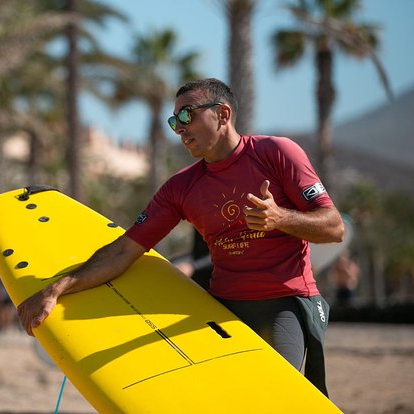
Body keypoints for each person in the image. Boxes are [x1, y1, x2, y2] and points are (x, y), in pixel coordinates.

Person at [17, 78, 344, 395]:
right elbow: (124, 251)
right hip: (219, 310)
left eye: (187, 115)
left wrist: (279, 218)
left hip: (284, 304)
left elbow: (333, 227)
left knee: (275, 400)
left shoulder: (275, 153)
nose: (179, 128)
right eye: (174, 120)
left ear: (223, 115)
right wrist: (55, 288)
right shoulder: (181, 188)